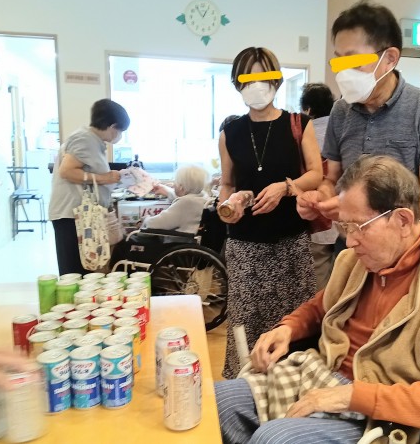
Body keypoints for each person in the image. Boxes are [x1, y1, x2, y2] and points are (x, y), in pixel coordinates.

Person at [215, 155, 420, 444]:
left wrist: (352, 395)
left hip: (382, 411)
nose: (350, 241)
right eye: (345, 226)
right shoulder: (359, 260)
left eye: (359, 227)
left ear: (402, 220)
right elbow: (323, 306)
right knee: (217, 404)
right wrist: (288, 328)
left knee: (275, 439)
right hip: (324, 374)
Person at [296, 0, 420, 227]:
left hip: (405, 242)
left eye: (354, 62)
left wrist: (358, 207)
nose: (344, 73)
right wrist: (319, 198)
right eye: (339, 62)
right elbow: (332, 179)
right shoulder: (341, 110)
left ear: (390, 59)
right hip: (350, 238)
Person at [218, 47, 323, 379]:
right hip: (244, 247)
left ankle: (292, 388)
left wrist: (286, 187)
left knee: (293, 323)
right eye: (247, 79)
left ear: (276, 80)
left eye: (263, 77)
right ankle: (243, 391)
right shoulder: (230, 133)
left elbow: (316, 174)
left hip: (290, 244)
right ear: (237, 84)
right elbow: (227, 183)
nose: (256, 85)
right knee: (245, 325)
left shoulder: (298, 124)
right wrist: (227, 208)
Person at [49, 99, 129, 275]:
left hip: (79, 216)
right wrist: (104, 178)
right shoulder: (85, 139)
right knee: (75, 273)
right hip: (72, 216)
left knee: (84, 270)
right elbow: (67, 171)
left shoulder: (92, 141)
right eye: (120, 131)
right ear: (112, 126)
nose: (119, 135)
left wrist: (109, 178)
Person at [300, 82, 339, 289]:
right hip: (348, 215)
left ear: (307, 109)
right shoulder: (342, 127)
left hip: (316, 214)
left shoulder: (304, 133)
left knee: (318, 276)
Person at [143, 165, 209, 234]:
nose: (173, 185)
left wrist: (145, 219)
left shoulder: (185, 203)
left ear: (181, 186)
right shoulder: (203, 197)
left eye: (175, 182)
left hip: (180, 239)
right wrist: (167, 190)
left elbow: (154, 224)